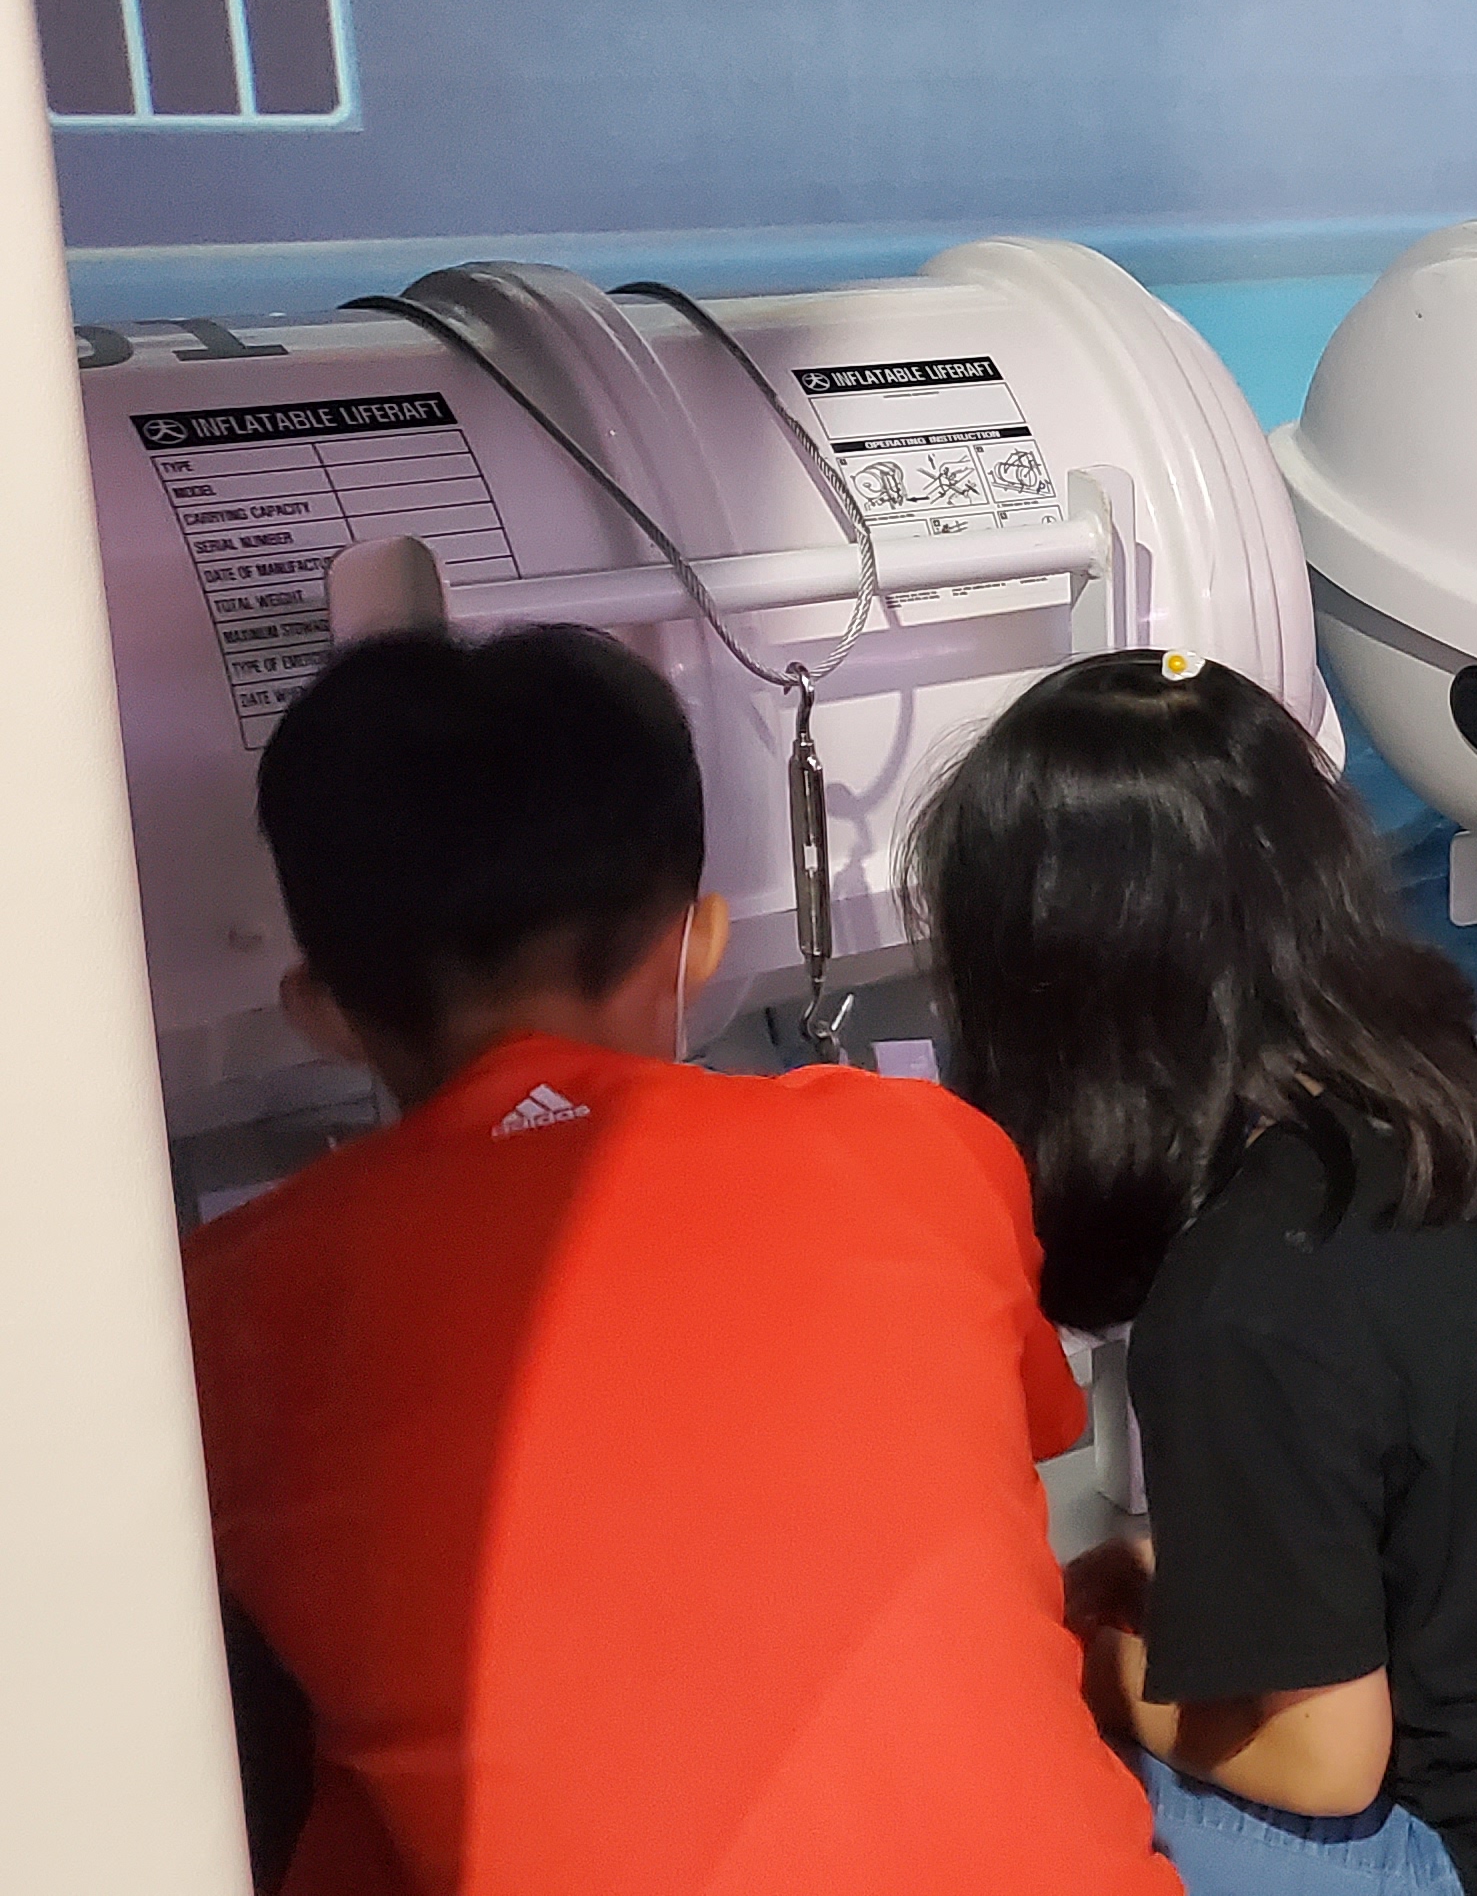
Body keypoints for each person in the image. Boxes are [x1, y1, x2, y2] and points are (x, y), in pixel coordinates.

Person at [182, 626, 1176, 1896]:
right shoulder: (922, 1150)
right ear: (698, 945)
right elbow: (1026, 1438)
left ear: (320, 1010)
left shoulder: (221, 1311)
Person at [911, 651, 1477, 1896]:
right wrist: (1199, 1584)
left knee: (1027, 1761)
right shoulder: (1449, 1106)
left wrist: (1101, 1681)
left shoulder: (1234, 1307)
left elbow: (1329, 1763)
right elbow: (1442, 1497)